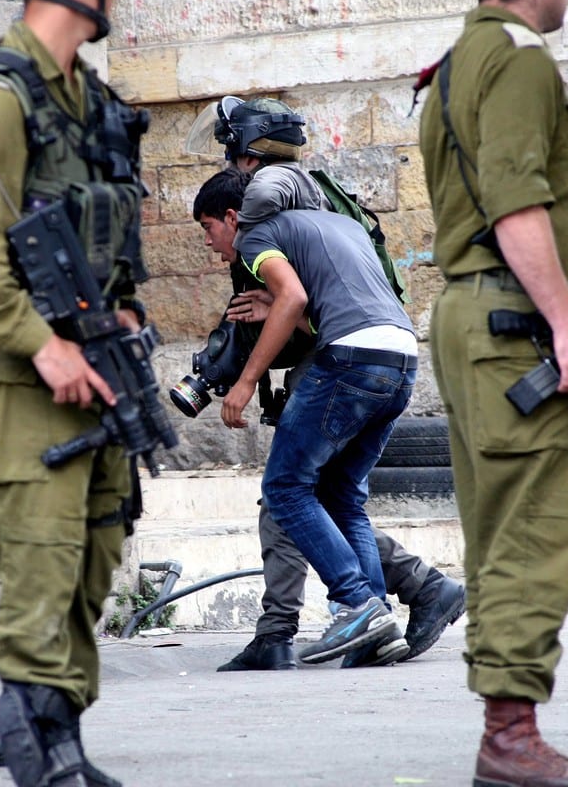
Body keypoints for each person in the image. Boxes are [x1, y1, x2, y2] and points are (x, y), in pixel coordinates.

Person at [0, 0, 149, 785]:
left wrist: (126, 312)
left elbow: (109, 245)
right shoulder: (1, 97)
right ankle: (38, 748)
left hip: (101, 372)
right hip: (24, 391)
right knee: (43, 574)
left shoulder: (93, 100)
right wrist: (43, 347)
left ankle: (65, 737)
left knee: (92, 566)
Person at [417, 0, 568, 784]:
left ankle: (507, 732)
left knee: (500, 527)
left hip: (473, 315)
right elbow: (515, 203)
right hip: (512, 320)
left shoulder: (455, 62)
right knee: (535, 530)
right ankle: (510, 738)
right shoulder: (519, 57)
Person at [186, 98, 465, 671]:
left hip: (348, 362)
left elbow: (294, 297)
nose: (211, 244)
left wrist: (245, 381)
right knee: (342, 497)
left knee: (286, 489)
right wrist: (281, 309)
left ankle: (356, 604)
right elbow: (333, 298)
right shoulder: (338, 219)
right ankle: (374, 626)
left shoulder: (258, 233)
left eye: (209, 230)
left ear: (233, 215)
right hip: (401, 356)